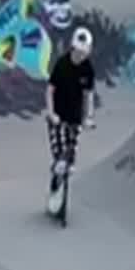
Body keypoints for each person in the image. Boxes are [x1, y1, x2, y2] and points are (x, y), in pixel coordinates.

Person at [46, 26, 96, 211]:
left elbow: (88, 96)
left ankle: (65, 170)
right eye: (78, 52)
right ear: (72, 47)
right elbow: (49, 91)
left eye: (84, 52)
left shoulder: (88, 69)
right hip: (58, 116)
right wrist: (51, 113)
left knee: (71, 156)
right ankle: (56, 179)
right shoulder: (62, 64)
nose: (81, 56)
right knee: (59, 154)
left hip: (75, 118)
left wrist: (89, 117)